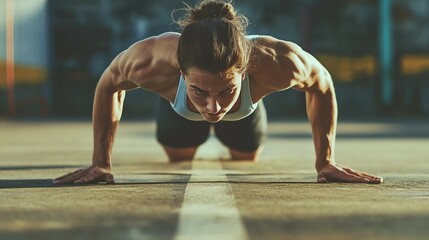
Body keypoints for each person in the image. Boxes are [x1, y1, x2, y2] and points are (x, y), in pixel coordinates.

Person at [53, 0, 383, 185]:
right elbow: (109, 84)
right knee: (179, 159)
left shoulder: (276, 61)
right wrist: (101, 162)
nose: (213, 106)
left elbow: (321, 83)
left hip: (247, 110)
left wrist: (325, 160)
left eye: (226, 89)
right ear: (180, 72)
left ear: (246, 70)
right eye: (199, 89)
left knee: (246, 160)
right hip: (177, 109)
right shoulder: (150, 59)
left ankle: (234, 102)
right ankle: (200, 98)